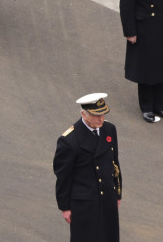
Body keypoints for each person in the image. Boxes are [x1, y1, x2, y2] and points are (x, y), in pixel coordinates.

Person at [53, 93, 121, 242]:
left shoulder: (109, 129)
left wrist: (117, 192)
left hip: (107, 197)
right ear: (84, 114)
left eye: (103, 114)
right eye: (96, 115)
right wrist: (65, 207)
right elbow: (63, 177)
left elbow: (114, 163)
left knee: (109, 236)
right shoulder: (69, 140)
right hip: (85, 203)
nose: (101, 119)